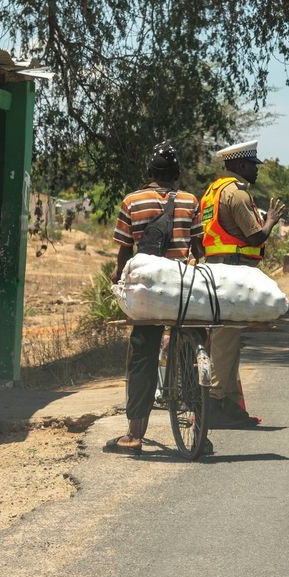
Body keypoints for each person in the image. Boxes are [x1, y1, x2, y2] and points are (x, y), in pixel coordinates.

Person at [105, 144, 205, 455]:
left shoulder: (132, 201)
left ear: (149, 172)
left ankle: (134, 435)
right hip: (183, 290)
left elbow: (124, 251)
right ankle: (201, 431)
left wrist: (117, 275)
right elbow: (198, 248)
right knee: (193, 346)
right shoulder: (190, 201)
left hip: (149, 294)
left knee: (142, 355)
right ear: (177, 174)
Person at [199, 140, 285, 428]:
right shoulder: (236, 194)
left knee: (228, 337)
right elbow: (255, 236)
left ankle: (231, 404)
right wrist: (270, 220)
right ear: (239, 164)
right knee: (226, 337)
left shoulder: (212, 192)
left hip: (215, 268)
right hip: (233, 272)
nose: (256, 170)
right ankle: (215, 400)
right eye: (252, 165)